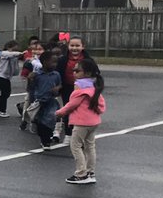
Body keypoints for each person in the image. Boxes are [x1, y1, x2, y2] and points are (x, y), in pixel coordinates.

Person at [55, 57, 105, 185]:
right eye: (73, 70)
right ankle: (90, 172)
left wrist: (59, 113)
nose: (74, 73)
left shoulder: (80, 86)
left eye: (77, 71)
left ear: (87, 73)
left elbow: (72, 104)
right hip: (94, 121)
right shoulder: (94, 85)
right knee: (90, 146)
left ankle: (81, 174)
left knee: (75, 146)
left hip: (82, 122)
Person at [28, 51, 61, 149]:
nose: (55, 64)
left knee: (51, 118)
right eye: (52, 62)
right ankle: (43, 137)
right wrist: (30, 80)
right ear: (44, 62)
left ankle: (46, 140)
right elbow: (31, 88)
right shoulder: (37, 75)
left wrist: (57, 88)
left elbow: (59, 84)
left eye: (56, 62)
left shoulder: (56, 74)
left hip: (51, 100)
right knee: (40, 121)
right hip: (39, 101)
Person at [0, 40, 22, 118]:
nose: (15, 51)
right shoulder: (4, 54)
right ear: (8, 47)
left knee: (6, 93)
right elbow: (10, 54)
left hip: (6, 77)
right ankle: (1, 110)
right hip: (1, 76)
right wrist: (19, 53)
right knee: (5, 93)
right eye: (14, 49)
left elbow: (15, 66)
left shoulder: (14, 56)